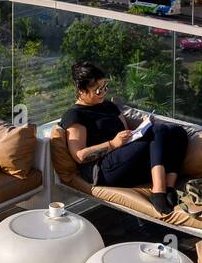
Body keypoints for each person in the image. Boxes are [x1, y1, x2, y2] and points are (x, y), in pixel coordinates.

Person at [56, 61, 188, 215]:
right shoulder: (75, 115)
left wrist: (142, 127)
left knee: (176, 131)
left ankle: (169, 186)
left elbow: (127, 134)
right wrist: (112, 144)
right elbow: (80, 156)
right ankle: (158, 191)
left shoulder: (109, 106)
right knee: (158, 130)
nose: (103, 93)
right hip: (104, 170)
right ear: (81, 91)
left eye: (104, 87)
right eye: (97, 90)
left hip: (125, 160)